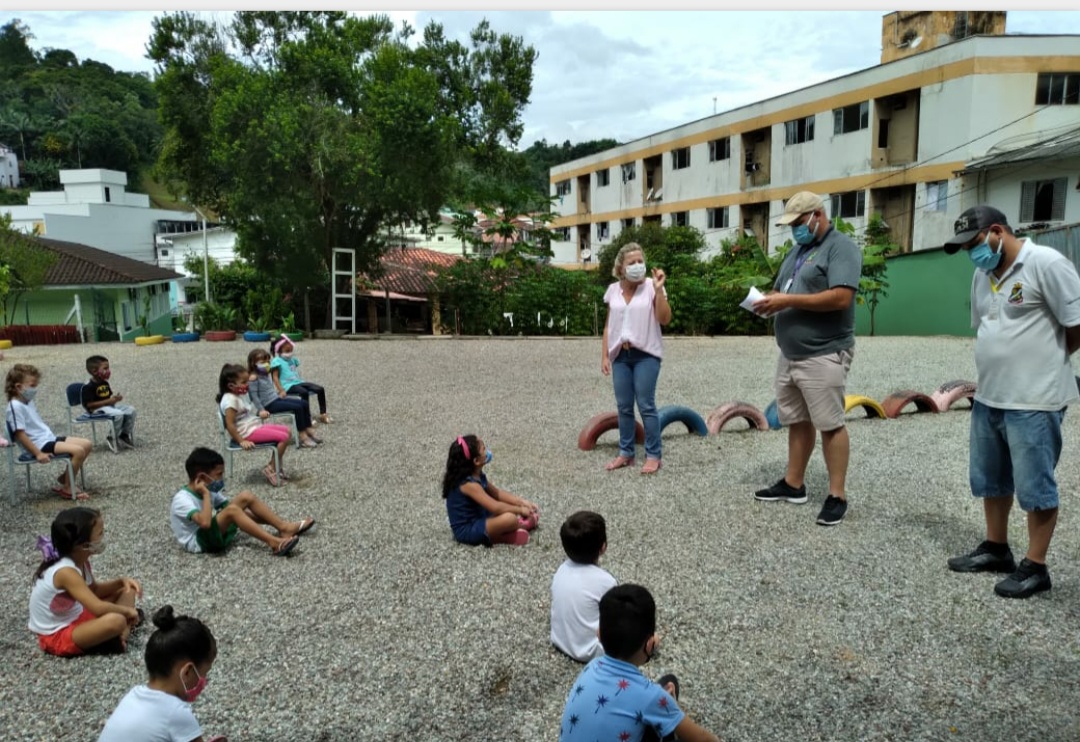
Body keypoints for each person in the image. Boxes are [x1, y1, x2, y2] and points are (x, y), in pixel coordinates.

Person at [942, 205, 1080, 599]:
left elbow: (1076, 326)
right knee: (992, 479)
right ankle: (996, 548)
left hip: (1035, 399)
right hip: (990, 396)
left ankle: (1036, 567)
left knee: (1036, 485)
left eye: (974, 243)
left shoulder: (1046, 264)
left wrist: (1047, 362)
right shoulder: (983, 274)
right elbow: (987, 328)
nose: (972, 253)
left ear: (997, 232)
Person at [752, 191, 862, 526]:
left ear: (817, 215)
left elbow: (841, 297)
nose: (796, 230)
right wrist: (769, 301)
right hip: (790, 354)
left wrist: (787, 301)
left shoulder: (841, 247)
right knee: (797, 421)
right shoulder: (799, 251)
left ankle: (836, 495)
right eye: (792, 225)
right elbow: (786, 290)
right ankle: (793, 483)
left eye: (800, 223)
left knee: (830, 424)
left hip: (823, 351)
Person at [558, 584, 720, 742]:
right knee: (670, 685)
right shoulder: (652, 697)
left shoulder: (591, 667)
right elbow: (701, 738)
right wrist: (668, 706)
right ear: (650, 645)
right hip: (650, 701)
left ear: (599, 635)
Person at [28, 507, 142, 656]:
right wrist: (127, 611)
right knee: (117, 620)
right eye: (100, 534)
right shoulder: (66, 572)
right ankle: (121, 634)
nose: (102, 538)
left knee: (128, 590)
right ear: (84, 545)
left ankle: (116, 636)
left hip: (77, 614)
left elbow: (94, 590)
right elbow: (98, 608)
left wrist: (121, 582)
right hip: (58, 633)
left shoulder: (80, 560)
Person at [98, 605, 220, 742]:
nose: (204, 681)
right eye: (204, 673)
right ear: (187, 672)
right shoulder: (176, 712)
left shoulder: (133, 695)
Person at [601, 242, 672, 475]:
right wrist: (604, 355)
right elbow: (609, 325)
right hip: (620, 355)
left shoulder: (652, 286)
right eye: (632, 262)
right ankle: (626, 453)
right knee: (623, 407)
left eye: (641, 261)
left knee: (646, 404)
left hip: (646, 355)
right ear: (621, 268)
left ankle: (653, 455)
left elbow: (664, 319)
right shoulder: (613, 290)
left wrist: (660, 290)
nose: (638, 266)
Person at [171, 447, 313, 557]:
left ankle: (284, 527)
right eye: (219, 474)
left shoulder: (210, 490)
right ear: (201, 476)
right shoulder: (182, 499)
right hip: (199, 542)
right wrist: (206, 495)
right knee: (232, 511)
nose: (222, 478)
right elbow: (205, 523)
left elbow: (240, 513)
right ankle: (274, 543)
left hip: (211, 534)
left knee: (245, 496)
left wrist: (266, 521)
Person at [5, 363, 94, 500]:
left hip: (47, 439)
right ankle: (68, 488)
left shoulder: (27, 401)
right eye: (32, 385)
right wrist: (38, 453)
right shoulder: (14, 406)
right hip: (38, 444)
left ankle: (65, 477)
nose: (35, 389)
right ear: (18, 387)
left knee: (86, 444)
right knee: (78, 451)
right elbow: (19, 434)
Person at [441, 434, 539, 547]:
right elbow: (495, 507)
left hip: (479, 517)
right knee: (510, 518)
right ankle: (504, 535)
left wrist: (521, 502)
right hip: (468, 530)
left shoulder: (476, 475)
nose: (487, 451)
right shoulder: (468, 484)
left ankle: (508, 530)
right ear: (476, 461)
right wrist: (520, 510)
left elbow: (497, 493)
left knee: (507, 511)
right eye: (484, 449)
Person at [551, 511, 617, 662]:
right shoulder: (605, 581)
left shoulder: (561, 570)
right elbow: (616, 620)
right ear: (603, 547)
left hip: (560, 641)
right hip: (592, 651)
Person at [217, 363, 292, 486]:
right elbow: (230, 425)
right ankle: (271, 468)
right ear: (231, 385)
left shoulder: (239, 394)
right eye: (244, 382)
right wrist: (241, 441)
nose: (247, 384)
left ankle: (275, 466)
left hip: (252, 426)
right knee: (283, 438)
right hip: (246, 432)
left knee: (287, 431)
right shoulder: (230, 401)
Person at [247, 348, 322, 448]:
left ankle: (308, 428)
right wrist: (261, 410)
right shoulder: (253, 377)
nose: (266, 364)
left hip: (275, 399)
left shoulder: (264, 373)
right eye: (262, 362)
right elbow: (254, 396)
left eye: (267, 361)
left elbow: (267, 390)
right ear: (253, 363)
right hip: (268, 404)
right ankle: (303, 436)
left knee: (303, 403)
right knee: (297, 408)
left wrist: (280, 392)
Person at [270, 335, 332, 424]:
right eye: (287, 351)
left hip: (298, 382)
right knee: (304, 392)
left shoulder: (292, 359)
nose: (290, 353)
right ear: (279, 350)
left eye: (291, 350)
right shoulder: (277, 361)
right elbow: (275, 377)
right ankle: (307, 417)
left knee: (320, 389)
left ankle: (323, 414)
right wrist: (281, 390)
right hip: (287, 385)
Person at [81, 354, 136, 451]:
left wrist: (115, 398)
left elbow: (108, 398)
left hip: (108, 407)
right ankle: (112, 437)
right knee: (118, 414)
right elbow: (89, 405)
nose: (108, 371)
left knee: (131, 410)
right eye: (105, 368)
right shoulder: (88, 386)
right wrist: (109, 401)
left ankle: (124, 435)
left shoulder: (104, 383)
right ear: (94, 371)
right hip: (96, 410)